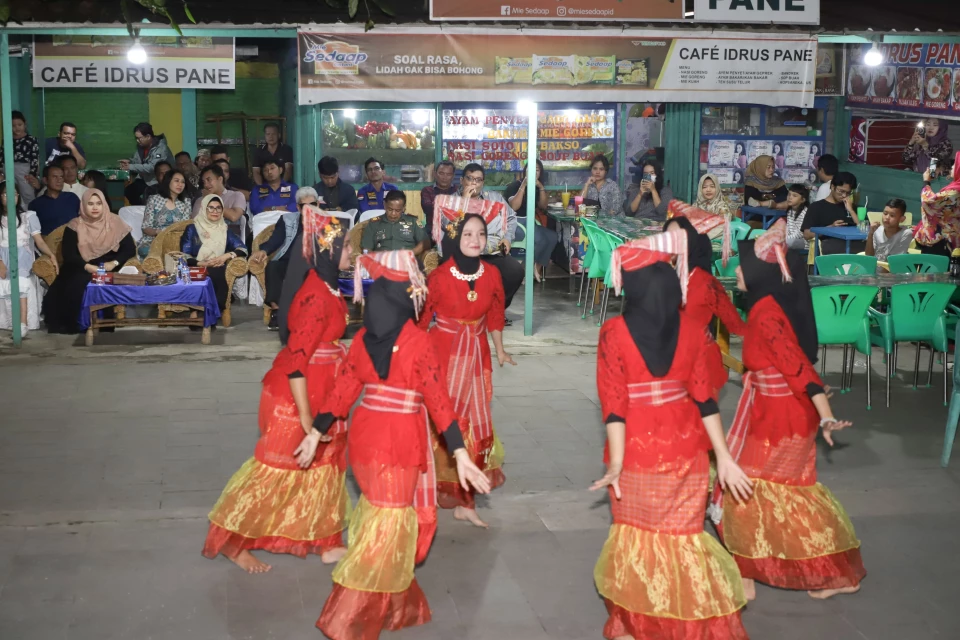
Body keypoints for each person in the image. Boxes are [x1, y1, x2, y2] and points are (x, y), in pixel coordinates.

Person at [313, 250, 491, 640]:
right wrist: (460, 452)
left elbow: (343, 391)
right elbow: (440, 403)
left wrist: (315, 431)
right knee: (391, 526)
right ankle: (348, 619)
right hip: (398, 445)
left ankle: (396, 606)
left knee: (382, 519)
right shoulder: (418, 342)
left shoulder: (361, 338)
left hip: (364, 441)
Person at [590, 229, 752, 640]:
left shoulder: (613, 333)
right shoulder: (694, 330)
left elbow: (614, 406)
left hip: (638, 452)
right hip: (687, 451)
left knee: (638, 539)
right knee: (683, 538)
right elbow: (705, 399)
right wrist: (725, 457)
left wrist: (617, 463)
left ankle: (634, 623)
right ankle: (687, 622)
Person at [713, 219, 865, 602]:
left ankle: (832, 574)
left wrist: (825, 413)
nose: (736, 271)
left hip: (784, 418)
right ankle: (749, 569)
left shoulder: (766, 314)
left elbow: (798, 368)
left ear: (761, 274)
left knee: (760, 490)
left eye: (742, 266)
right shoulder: (765, 306)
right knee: (759, 490)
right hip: (773, 410)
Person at [203, 206, 353, 574]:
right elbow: (298, 363)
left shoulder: (329, 285)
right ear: (329, 250)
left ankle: (327, 542)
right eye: (347, 245)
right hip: (295, 394)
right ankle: (234, 542)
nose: (353, 252)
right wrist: (306, 419)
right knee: (276, 471)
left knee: (324, 467)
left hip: (322, 386)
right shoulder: (316, 295)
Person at [420, 212, 515, 528]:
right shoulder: (439, 277)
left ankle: (466, 501)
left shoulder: (492, 274)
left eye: (481, 234)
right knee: (445, 424)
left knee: (476, 426)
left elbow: (496, 313)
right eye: (468, 235)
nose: (475, 240)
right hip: (444, 356)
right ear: (455, 239)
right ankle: (430, 489)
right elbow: (422, 322)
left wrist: (499, 348)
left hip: (477, 356)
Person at [664, 203, 747, 397]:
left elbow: (737, 326)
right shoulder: (669, 276)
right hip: (672, 363)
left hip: (699, 365)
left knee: (700, 419)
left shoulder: (705, 282)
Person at [42, 189, 135, 334]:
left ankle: (105, 324)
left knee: (105, 281)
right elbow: (69, 254)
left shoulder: (115, 221)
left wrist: (114, 263)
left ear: (104, 204)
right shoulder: (74, 225)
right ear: (84, 206)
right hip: (80, 265)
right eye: (90, 204)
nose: (95, 207)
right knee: (77, 283)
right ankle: (79, 325)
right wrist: (87, 267)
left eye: (99, 203)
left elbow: (129, 249)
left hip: (108, 265)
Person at [449, 164, 523, 317]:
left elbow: (510, 218)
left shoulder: (494, 198)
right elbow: (450, 228)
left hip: (493, 252)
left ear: (483, 182)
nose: (474, 183)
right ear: (462, 180)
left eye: (478, 180)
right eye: (470, 179)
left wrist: (508, 239)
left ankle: (495, 310)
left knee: (515, 272)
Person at [250, 187, 320, 330]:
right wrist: (264, 250)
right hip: (289, 261)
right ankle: (277, 311)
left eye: (312, 205)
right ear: (298, 208)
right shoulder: (287, 219)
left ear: (318, 205)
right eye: (304, 206)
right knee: (273, 266)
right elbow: (276, 239)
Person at [0, 182, 56, 336]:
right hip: (2, 260)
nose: (10, 198)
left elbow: (39, 242)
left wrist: (51, 255)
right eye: (5, 194)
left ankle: (22, 323)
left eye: (14, 194)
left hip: (22, 259)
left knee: (21, 283)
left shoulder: (28, 217)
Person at [181, 194, 248, 315]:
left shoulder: (224, 229)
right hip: (195, 266)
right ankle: (197, 312)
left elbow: (243, 249)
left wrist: (226, 256)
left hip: (217, 265)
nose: (215, 211)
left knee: (217, 272)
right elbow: (185, 254)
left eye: (218, 208)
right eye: (210, 207)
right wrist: (202, 263)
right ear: (203, 209)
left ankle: (208, 313)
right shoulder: (192, 228)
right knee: (207, 274)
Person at [503, 160, 561, 282]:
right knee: (541, 239)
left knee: (553, 236)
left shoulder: (536, 187)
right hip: (515, 225)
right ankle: (526, 270)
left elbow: (543, 206)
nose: (534, 172)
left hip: (530, 223)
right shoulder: (514, 186)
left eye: (537, 170)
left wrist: (540, 187)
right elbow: (514, 206)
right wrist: (523, 185)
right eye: (531, 170)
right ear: (525, 172)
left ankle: (537, 267)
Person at [801, 172, 863, 255]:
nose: (844, 195)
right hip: (831, 245)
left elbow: (863, 229)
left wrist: (851, 211)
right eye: (841, 191)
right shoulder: (816, 207)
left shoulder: (851, 207)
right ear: (832, 187)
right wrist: (830, 228)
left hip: (853, 244)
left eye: (848, 193)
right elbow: (807, 234)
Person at [138, 169, 193, 259]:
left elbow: (185, 227)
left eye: (183, 182)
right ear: (168, 182)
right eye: (176, 181)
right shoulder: (154, 199)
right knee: (146, 250)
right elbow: (145, 227)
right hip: (154, 240)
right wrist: (158, 232)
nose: (180, 184)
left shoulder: (186, 202)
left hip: (176, 241)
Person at [915, 151, 960, 256]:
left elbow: (929, 201)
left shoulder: (956, 191)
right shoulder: (955, 187)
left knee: (935, 271)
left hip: (942, 242)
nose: (952, 167)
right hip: (954, 241)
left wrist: (926, 182)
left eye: (956, 164)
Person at [360, 190, 430, 258]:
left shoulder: (413, 222)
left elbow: (425, 243)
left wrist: (410, 253)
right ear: (384, 205)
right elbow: (366, 249)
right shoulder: (373, 224)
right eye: (390, 209)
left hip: (407, 263)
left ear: (403, 208)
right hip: (381, 264)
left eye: (397, 210)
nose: (393, 214)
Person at [121, 123, 175, 206]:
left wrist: (131, 166)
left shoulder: (160, 149)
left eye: (140, 138)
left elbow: (153, 167)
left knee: (149, 194)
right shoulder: (141, 146)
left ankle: (146, 210)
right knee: (129, 191)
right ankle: (141, 209)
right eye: (136, 138)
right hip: (146, 178)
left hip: (159, 180)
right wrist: (130, 162)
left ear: (148, 136)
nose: (137, 140)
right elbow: (137, 161)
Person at [0, 110, 40, 206]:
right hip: (7, 169)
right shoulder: (6, 140)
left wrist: (32, 174)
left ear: (25, 124)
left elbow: (34, 158)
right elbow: (1, 156)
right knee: (11, 192)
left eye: (19, 124)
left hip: (24, 171)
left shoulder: (31, 140)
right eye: (13, 126)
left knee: (27, 193)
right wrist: (1, 172)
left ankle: (30, 213)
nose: (16, 128)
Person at [32, 164, 81, 236]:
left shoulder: (72, 198)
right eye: (55, 177)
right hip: (48, 245)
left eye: (61, 177)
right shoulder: (35, 205)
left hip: (72, 243)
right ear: (45, 180)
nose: (59, 180)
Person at [865, 198, 913, 268]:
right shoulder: (877, 230)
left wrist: (878, 278)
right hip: (874, 272)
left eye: (892, 215)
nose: (887, 218)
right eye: (885, 213)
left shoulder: (905, 233)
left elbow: (893, 263)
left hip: (892, 274)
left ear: (902, 219)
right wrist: (870, 234)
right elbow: (869, 256)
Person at [420, 160, 458, 245]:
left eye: (448, 174)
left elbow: (460, 211)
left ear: (453, 176)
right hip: (432, 229)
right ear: (435, 174)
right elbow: (428, 209)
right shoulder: (427, 190)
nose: (444, 177)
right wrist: (450, 206)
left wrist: (438, 204)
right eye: (441, 173)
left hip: (453, 229)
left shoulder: (458, 190)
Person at [694, 173, 732, 241]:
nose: (708, 190)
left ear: (717, 188)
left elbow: (723, 226)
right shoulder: (696, 206)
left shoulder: (722, 207)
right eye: (704, 187)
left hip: (716, 243)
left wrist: (701, 237)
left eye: (712, 186)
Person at [784, 184, 811, 252]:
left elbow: (800, 233)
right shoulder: (790, 211)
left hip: (804, 243)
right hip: (791, 239)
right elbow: (788, 228)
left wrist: (784, 239)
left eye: (794, 196)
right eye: (789, 194)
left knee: (786, 242)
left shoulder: (805, 212)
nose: (790, 197)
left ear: (802, 200)